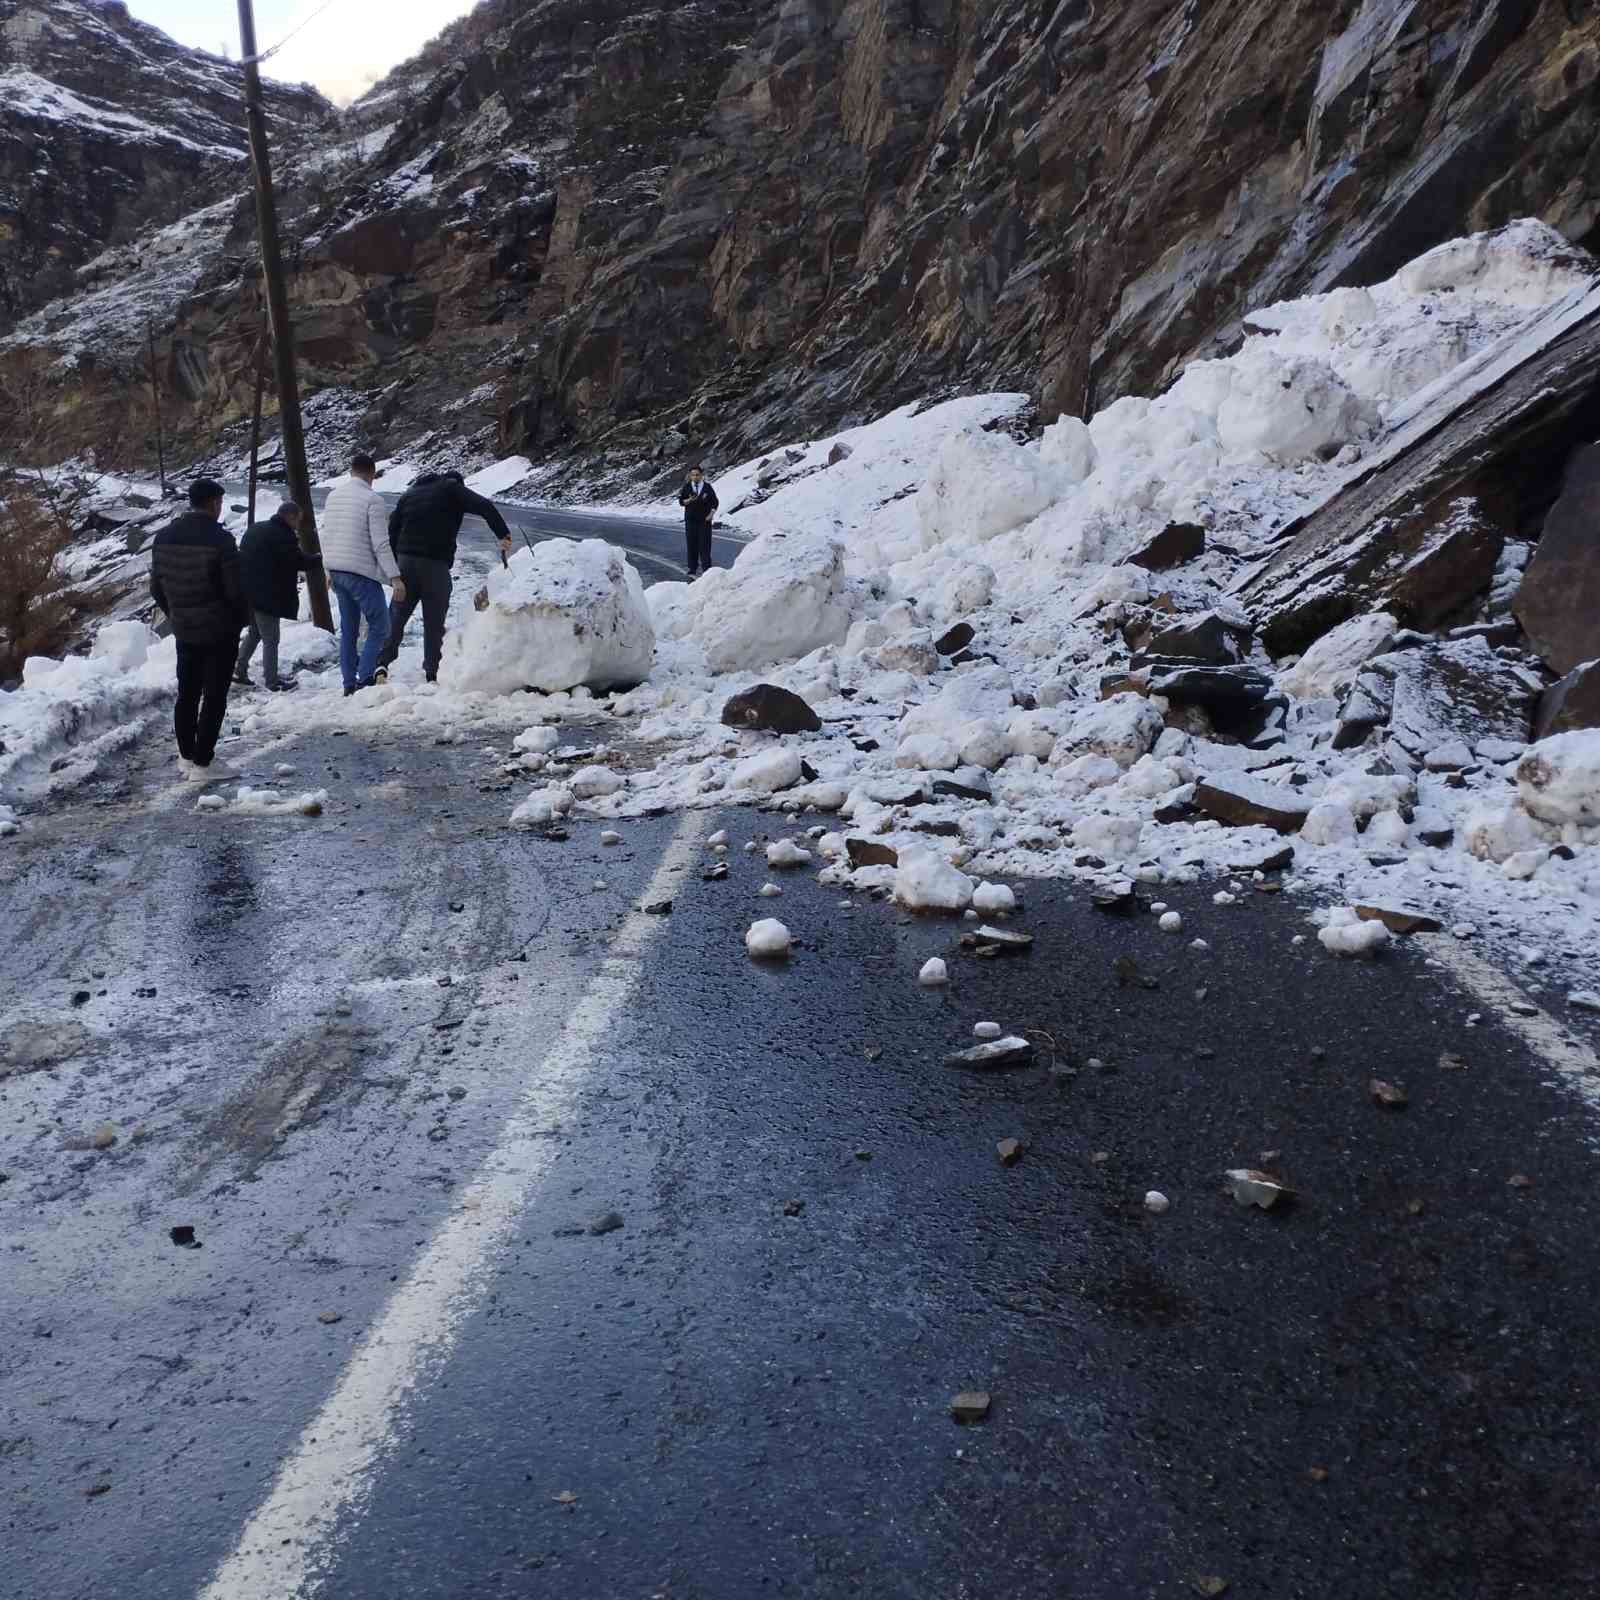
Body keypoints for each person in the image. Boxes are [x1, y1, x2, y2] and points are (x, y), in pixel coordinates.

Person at [149, 479, 248, 777]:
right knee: (214, 695)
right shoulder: (221, 540)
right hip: (219, 631)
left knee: (187, 693)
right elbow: (234, 590)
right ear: (215, 503)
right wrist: (241, 619)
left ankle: (186, 756)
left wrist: (176, 613)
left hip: (184, 628)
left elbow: (156, 587)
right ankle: (204, 762)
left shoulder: (163, 537)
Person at [376, 470, 513, 684]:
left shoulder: (409, 494)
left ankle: (381, 663)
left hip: (405, 562)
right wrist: (503, 534)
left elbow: (392, 531)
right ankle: (432, 672)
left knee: (397, 615)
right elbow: (484, 505)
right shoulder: (451, 488)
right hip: (434, 564)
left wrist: (394, 571)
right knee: (433, 620)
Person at [321, 452, 405, 696]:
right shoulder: (373, 500)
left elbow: (326, 534)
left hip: (337, 570)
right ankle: (366, 677)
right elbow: (380, 543)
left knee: (349, 628)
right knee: (381, 626)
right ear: (372, 474)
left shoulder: (333, 496)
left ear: (351, 471)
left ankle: (348, 683)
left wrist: (328, 569)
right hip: (360, 573)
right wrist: (395, 578)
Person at [234, 500, 321, 692]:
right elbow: (296, 561)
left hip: (249, 591)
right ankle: (272, 681)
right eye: (298, 520)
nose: (298, 525)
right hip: (267, 595)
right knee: (271, 639)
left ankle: (239, 670)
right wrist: (317, 559)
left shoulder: (256, 529)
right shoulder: (282, 535)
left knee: (256, 633)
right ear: (290, 517)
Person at [677, 464, 718, 578]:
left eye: (697, 475)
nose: (695, 477)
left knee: (705, 545)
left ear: (701, 475)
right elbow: (681, 502)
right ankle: (692, 569)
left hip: (704, 521)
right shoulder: (687, 487)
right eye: (693, 475)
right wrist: (689, 500)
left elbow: (715, 502)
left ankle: (706, 569)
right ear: (690, 476)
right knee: (692, 544)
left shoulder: (707, 487)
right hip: (691, 520)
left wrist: (711, 514)